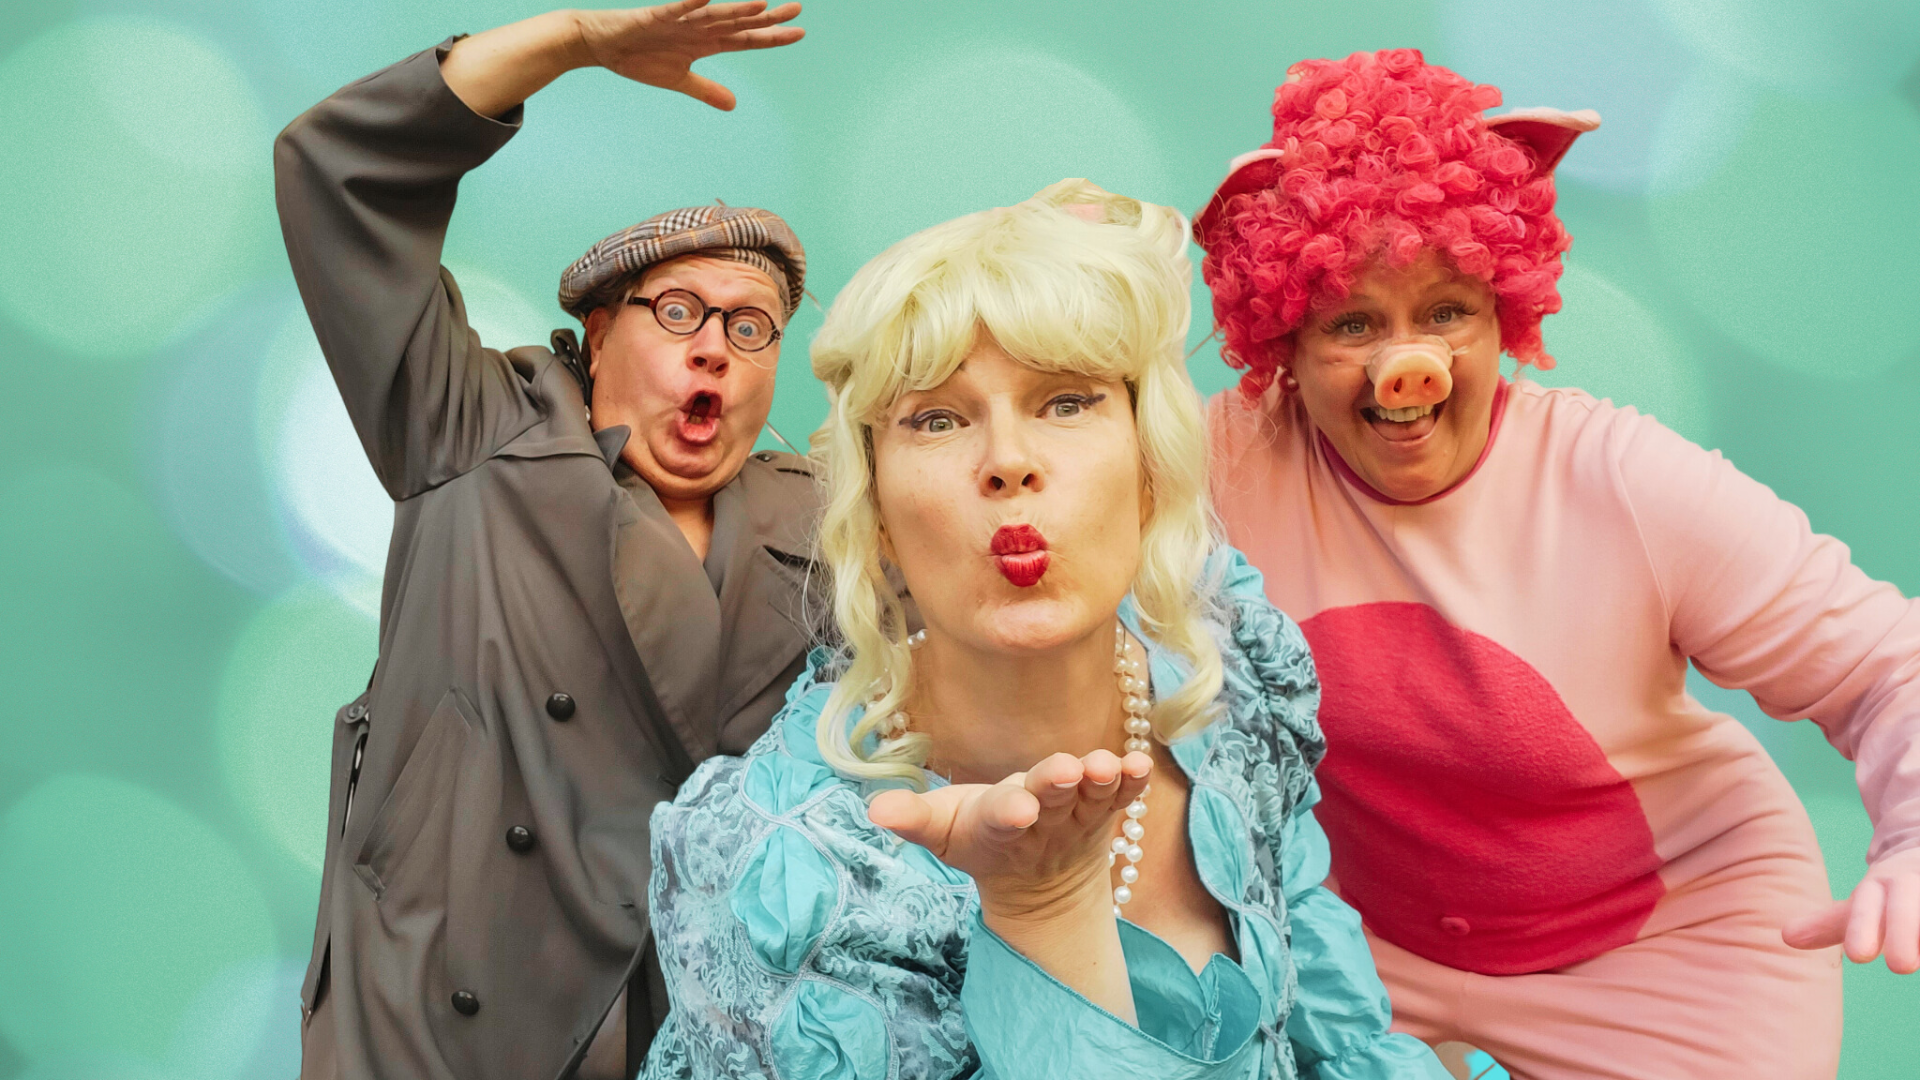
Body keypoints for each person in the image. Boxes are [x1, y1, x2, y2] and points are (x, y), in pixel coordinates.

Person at [1193, 48, 1920, 1079]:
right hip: (1369, 957)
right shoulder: (1222, 463)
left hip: (1672, 956)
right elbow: (1052, 474)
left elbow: (1889, 666)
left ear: (1506, 309)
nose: (1409, 364)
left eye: (1447, 312)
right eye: (1353, 323)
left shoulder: (1621, 479)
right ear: (1285, 343)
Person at [639, 180, 1450, 1079]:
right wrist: (1042, 912)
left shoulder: (1227, 672)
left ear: (1149, 467)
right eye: (937, 419)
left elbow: (1335, 1031)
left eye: (1066, 402)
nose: (1009, 462)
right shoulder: (785, 870)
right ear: (876, 515)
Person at [270, 3, 814, 1078]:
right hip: (431, 1026)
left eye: (750, 327)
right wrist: (572, 44)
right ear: (599, 333)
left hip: (683, 1041)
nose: (714, 348)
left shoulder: (825, 527)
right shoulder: (466, 432)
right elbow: (338, 173)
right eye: (678, 311)